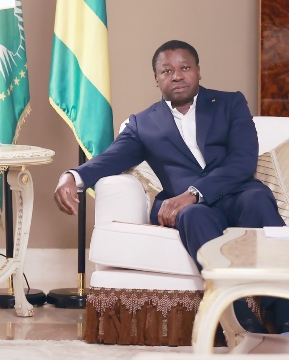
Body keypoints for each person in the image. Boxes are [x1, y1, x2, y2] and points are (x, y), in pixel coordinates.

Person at [54, 40, 289, 334]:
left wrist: (194, 193)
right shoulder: (143, 123)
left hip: (237, 194)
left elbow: (243, 160)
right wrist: (72, 177)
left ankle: (282, 311)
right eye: (167, 71)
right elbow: (110, 159)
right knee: (191, 215)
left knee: (257, 200)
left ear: (198, 71)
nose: (177, 76)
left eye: (184, 68)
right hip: (194, 211)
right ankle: (237, 317)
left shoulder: (230, 104)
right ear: (156, 79)